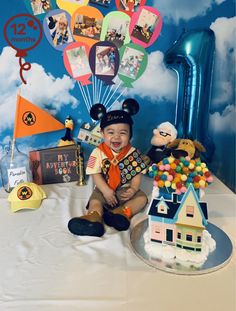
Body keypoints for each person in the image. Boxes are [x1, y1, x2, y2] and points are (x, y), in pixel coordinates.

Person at [68, 101, 148, 237]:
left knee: (142, 199)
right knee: (95, 201)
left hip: (124, 190)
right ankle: (94, 219)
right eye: (110, 132)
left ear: (130, 135)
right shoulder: (98, 152)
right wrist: (105, 190)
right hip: (103, 188)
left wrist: (133, 189)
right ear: (102, 133)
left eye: (123, 133)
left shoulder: (133, 153)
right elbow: (95, 173)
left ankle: (121, 213)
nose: (116, 137)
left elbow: (137, 174)